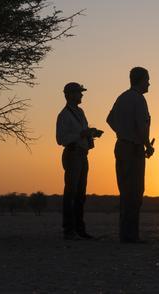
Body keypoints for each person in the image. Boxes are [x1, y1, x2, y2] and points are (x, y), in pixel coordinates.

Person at [105, 66, 155, 244]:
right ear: (140, 79)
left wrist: (122, 132)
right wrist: (147, 145)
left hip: (121, 146)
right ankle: (131, 235)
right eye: (147, 79)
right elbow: (142, 127)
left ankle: (125, 234)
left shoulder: (122, 97)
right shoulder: (139, 100)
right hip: (133, 149)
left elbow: (109, 119)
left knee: (125, 191)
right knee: (135, 192)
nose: (149, 83)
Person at [55, 81, 103, 240]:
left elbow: (82, 132)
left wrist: (92, 133)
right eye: (78, 92)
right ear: (69, 95)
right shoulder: (64, 115)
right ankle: (69, 230)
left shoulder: (80, 112)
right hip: (72, 153)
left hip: (82, 154)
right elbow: (60, 139)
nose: (81, 95)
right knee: (71, 192)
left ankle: (79, 229)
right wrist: (81, 135)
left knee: (80, 194)